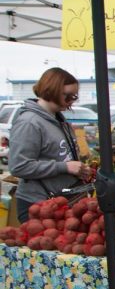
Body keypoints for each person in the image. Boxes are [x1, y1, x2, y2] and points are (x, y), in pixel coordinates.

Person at [8, 67, 93, 222]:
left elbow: (60, 157)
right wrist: (65, 167)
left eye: (74, 96)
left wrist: (77, 169)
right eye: (68, 96)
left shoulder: (59, 120)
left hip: (63, 201)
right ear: (52, 90)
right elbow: (18, 166)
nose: (72, 101)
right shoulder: (29, 123)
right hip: (39, 204)